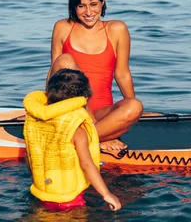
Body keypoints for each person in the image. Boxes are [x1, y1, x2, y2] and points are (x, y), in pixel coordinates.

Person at [47, 0, 143, 151]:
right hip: (70, 112)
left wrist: (134, 115)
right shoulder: (62, 27)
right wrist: (45, 110)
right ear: (73, 6)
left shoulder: (117, 29)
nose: (89, 12)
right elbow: (54, 73)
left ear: (103, 0)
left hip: (101, 114)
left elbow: (122, 74)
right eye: (81, 6)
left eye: (93, 4)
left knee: (135, 105)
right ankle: (97, 137)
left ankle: (90, 136)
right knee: (65, 61)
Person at [23, 68, 121, 212]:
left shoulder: (36, 123)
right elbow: (87, 165)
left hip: (41, 194)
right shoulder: (76, 130)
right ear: (84, 98)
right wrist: (107, 194)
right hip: (69, 201)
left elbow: (29, 156)